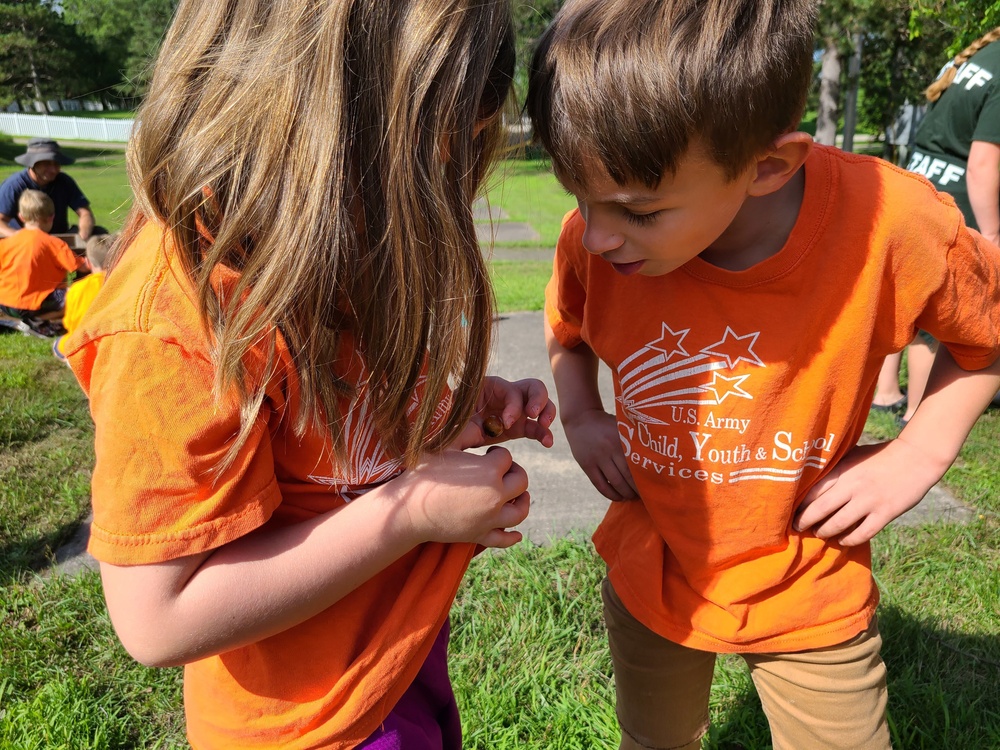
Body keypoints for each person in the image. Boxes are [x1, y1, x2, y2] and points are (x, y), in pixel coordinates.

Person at [61, 1, 556, 748]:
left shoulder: (336, 236)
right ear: (315, 122)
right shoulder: (176, 320)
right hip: (306, 723)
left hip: (391, 660)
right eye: (429, 157)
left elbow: (335, 434)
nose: (441, 186)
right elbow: (158, 618)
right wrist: (412, 512)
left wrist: (454, 412)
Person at [526, 1, 1000, 748]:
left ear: (769, 166)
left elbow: (988, 337)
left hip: (807, 571)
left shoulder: (896, 226)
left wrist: (920, 451)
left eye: (639, 211)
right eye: (578, 196)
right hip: (655, 559)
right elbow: (569, 330)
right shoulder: (594, 236)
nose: (598, 232)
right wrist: (583, 415)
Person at [876, 27, 1000, 422]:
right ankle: (916, 412)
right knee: (940, 311)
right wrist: (992, 235)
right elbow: (982, 163)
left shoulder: (981, 56)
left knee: (902, 297)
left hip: (919, 184)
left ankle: (884, 393)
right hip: (956, 195)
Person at [0, 189, 87, 336]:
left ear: (21, 217)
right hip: (38, 305)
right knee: (78, 294)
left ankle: (11, 319)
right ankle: (36, 319)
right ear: (51, 217)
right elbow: (82, 267)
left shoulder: (6, 243)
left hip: (6, 303)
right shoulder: (53, 243)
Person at [0, 137, 96, 240]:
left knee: (98, 233)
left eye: (56, 164)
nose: (53, 170)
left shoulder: (64, 181)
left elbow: (85, 213)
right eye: (46, 164)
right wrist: (21, 238)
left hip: (59, 239)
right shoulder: (14, 185)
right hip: (25, 241)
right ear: (32, 164)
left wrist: (83, 236)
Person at [53, 233, 114, 360]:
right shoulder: (124, 283)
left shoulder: (76, 289)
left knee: (58, 344)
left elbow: (69, 323)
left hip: (81, 345)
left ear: (88, 262)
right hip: (113, 343)